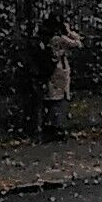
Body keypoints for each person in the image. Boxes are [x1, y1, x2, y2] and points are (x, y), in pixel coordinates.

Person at [37, 14, 82, 142]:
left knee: (50, 98)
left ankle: (49, 127)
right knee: (58, 99)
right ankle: (56, 128)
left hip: (50, 70)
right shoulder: (60, 39)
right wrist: (69, 31)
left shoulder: (46, 38)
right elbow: (78, 43)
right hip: (59, 71)